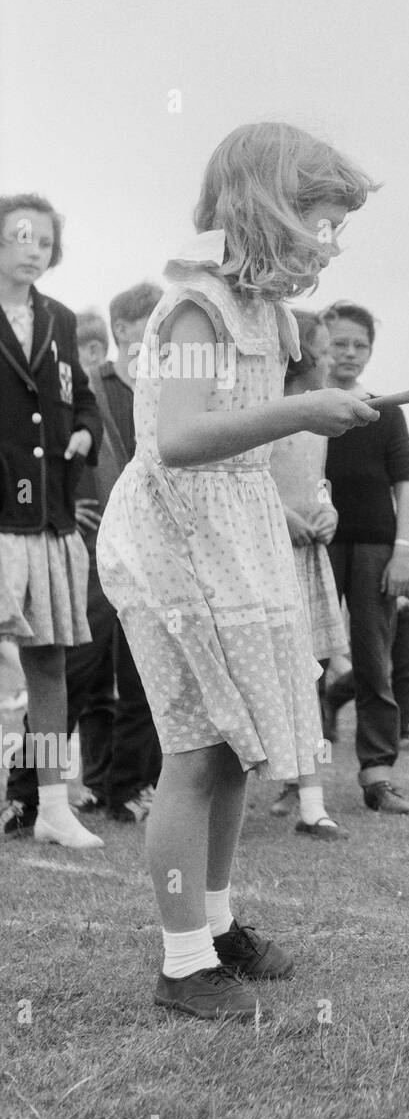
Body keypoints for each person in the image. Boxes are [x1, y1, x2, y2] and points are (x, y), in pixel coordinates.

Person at [96, 122, 380, 1020]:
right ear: (267, 211)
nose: (330, 249)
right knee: (193, 751)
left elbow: (239, 444)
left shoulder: (264, 315)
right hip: (176, 549)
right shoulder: (196, 308)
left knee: (232, 750)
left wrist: (291, 502)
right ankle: (182, 965)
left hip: (238, 534)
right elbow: (178, 439)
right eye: (322, 227)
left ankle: (215, 929)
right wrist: (302, 409)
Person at [0, 193, 102, 849]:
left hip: (49, 519)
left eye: (44, 240)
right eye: (21, 236)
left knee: (47, 664)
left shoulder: (62, 319)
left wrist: (88, 434)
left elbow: (84, 400)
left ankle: (50, 805)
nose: (34, 249)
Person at [66, 282, 165, 824]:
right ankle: (28, 792)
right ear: (123, 330)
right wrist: (63, 503)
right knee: (71, 676)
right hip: (93, 555)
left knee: (145, 679)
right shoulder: (89, 387)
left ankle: (128, 788)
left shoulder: (169, 389)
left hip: (152, 557)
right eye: (153, 320)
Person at [321, 301, 409, 814]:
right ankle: (301, 781)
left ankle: (378, 774)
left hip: (376, 547)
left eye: (360, 345)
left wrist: (404, 550)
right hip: (313, 543)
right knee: (308, 661)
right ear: (321, 344)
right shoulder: (303, 408)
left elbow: (406, 482)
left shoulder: (386, 408)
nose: (351, 353)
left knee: (374, 662)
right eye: (340, 343)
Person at [267, 309, 350, 839]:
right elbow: (245, 478)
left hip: (305, 557)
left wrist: (325, 509)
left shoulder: (317, 420)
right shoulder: (265, 410)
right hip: (265, 554)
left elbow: (317, 482)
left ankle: (311, 802)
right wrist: (284, 515)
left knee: (306, 678)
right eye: (320, 352)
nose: (330, 362)